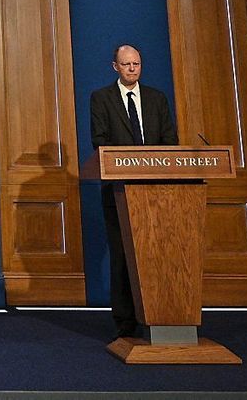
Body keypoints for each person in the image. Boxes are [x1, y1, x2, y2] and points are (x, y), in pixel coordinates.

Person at [89, 43, 177, 339]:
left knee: (156, 255)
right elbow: (99, 141)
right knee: (123, 257)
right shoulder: (101, 98)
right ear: (115, 66)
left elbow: (169, 141)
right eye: (126, 64)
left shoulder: (156, 99)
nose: (132, 69)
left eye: (136, 64)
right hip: (119, 192)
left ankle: (161, 316)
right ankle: (125, 324)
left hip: (157, 194)